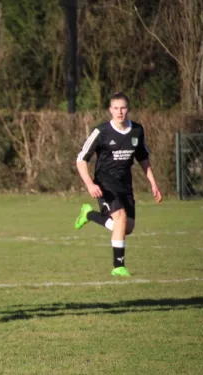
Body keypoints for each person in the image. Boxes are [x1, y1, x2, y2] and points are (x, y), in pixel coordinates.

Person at [74, 92, 162, 277]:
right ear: (110, 110)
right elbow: (81, 159)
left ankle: (89, 214)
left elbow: (143, 158)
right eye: (116, 108)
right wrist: (90, 184)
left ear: (128, 109)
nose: (120, 112)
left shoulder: (137, 130)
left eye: (123, 108)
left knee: (126, 228)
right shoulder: (101, 132)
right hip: (105, 182)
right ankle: (118, 267)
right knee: (120, 219)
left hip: (125, 184)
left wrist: (153, 184)